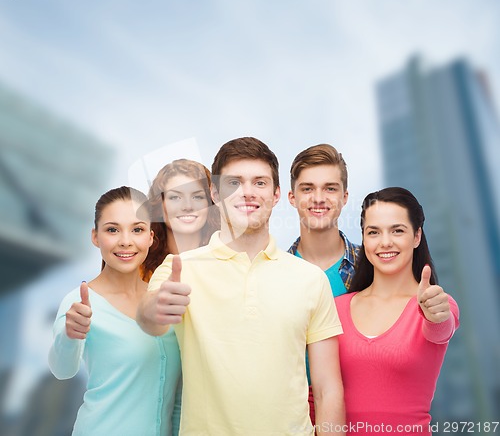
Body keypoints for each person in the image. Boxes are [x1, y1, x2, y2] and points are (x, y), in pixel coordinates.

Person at [138, 137, 346, 436]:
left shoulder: (311, 279)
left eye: (259, 183)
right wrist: (155, 309)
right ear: (215, 192)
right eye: (234, 182)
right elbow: (149, 319)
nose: (247, 192)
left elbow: (327, 388)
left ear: (276, 195)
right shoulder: (178, 269)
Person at [49, 187, 182, 436]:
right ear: (95, 237)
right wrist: (69, 335)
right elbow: (62, 369)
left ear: (151, 237)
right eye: (112, 229)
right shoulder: (80, 302)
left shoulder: (162, 299)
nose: (125, 240)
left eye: (137, 229)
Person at [335, 187, 459, 435]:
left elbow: (440, 329)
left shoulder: (434, 304)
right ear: (364, 238)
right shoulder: (337, 307)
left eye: (397, 230)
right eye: (373, 232)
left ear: (416, 236)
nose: (385, 242)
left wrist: (435, 316)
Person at [288, 143, 360, 423]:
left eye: (330, 188)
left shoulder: (373, 268)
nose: (319, 198)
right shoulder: (273, 275)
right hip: (295, 418)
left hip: (365, 410)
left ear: (344, 197)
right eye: (308, 188)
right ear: (292, 198)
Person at [142, 159, 220, 282]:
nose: (187, 206)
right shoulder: (140, 266)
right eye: (175, 197)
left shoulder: (229, 261)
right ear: (159, 206)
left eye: (197, 197)